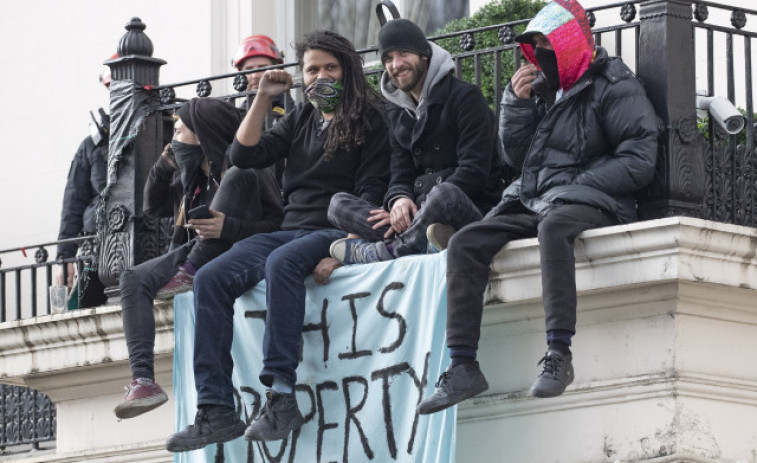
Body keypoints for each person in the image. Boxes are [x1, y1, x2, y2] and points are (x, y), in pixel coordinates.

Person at [417, 0, 660, 414]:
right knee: (467, 242)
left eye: (549, 43)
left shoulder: (615, 84)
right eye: (536, 46)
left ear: (572, 43)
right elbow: (516, 159)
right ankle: (462, 365)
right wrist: (515, 104)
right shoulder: (546, 89)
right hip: (540, 198)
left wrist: (576, 187)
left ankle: (559, 353)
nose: (541, 54)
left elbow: (639, 159)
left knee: (554, 228)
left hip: (597, 201)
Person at [165, 30, 389, 452]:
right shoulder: (302, 116)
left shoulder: (371, 118)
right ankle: (216, 409)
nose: (320, 76)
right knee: (211, 277)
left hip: (334, 228)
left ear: (348, 71)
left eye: (330, 67)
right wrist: (262, 98)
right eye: (312, 69)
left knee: (281, 262)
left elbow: (372, 191)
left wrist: (346, 251)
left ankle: (281, 396)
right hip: (291, 228)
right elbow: (244, 156)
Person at [114, 98, 284, 419]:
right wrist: (164, 166)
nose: (173, 138)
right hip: (196, 253)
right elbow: (154, 208)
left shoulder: (246, 169)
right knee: (132, 278)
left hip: (236, 250)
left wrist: (227, 227)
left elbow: (278, 225)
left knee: (235, 176)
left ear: (203, 133)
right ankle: (144, 381)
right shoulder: (193, 177)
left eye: (179, 130)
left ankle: (190, 271)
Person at [327, 18, 503, 265]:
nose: (395, 65)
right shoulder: (398, 111)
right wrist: (399, 200)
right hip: (420, 218)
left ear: (424, 55)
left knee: (445, 194)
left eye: (403, 54)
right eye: (388, 58)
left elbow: (474, 173)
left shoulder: (465, 97)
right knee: (338, 205)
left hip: (470, 210)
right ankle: (424, 241)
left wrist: (422, 205)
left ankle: (392, 250)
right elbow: (399, 173)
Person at [54, 59, 113, 293]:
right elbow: (73, 202)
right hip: (94, 247)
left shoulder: (160, 130)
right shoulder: (91, 146)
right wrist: (65, 258)